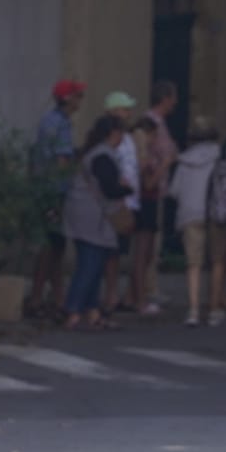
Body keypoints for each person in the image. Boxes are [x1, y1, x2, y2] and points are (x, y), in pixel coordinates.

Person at [61, 115, 132, 332]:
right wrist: (127, 188)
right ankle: (73, 310)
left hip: (85, 213)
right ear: (114, 133)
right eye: (121, 133)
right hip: (92, 216)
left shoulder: (95, 153)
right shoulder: (102, 156)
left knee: (93, 262)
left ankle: (92, 311)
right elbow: (110, 188)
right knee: (90, 264)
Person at [167, 114, 226, 327]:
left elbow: (174, 190)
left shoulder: (184, 160)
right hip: (216, 212)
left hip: (190, 213)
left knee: (193, 264)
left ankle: (193, 310)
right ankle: (214, 308)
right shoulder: (223, 155)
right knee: (217, 261)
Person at [30, 80, 84, 317]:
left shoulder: (46, 120)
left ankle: (46, 295)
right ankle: (45, 296)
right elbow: (62, 161)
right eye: (78, 96)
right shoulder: (62, 125)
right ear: (67, 98)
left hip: (43, 188)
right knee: (54, 244)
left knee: (51, 243)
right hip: (56, 191)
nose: (80, 101)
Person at [133, 82, 180, 314]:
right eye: (173, 97)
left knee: (150, 245)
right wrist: (164, 163)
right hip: (149, 192)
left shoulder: (159, 124)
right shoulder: (151, 124)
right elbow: (160, 159)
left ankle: (142, 290)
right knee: (146, 246)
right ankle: (144, 292)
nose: (176, 103)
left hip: (156, 190)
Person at [99, 91, 142, 313]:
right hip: (116, 201)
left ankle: (116, 293)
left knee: (119, 250)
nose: (128, 113)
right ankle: (109, 295)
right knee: (110, 251)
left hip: (129, 201)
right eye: (124, 109)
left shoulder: (128, 138)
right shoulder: (108, 139)